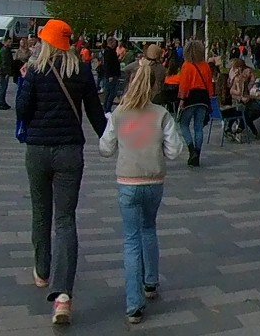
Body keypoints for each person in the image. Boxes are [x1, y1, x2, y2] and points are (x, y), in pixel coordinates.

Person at [17, 19, 107, 326]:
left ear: (46, 41)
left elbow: (22, 111)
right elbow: (95, 114)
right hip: (70, 151)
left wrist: (25, 83)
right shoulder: (81, 71)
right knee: (66, 220)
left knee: (40, 212)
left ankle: (42, 270)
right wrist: (111, 142)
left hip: (38, 150)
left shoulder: (35, 70)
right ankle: (63, 296)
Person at [98, 60, 186, 324]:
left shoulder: (119, 114)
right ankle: (151, 281)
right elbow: (175, 150)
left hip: (128, 181)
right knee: (149, 228)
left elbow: (105, 148)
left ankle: (134, 304)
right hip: (154, 180)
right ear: (154, 86)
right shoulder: (161, 114)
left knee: (131, 239)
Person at [176, 40, 213, 166]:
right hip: (203, 98)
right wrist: (210, 98)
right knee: (198, 127)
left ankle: (191, 150)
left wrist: (182, 99)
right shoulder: (206, 66)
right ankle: (197, 152)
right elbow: (209, 83)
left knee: (183, 124)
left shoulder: (187, 66)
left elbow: (184, 84)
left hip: (190, 97)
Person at [0, 32, 20, 110]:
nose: (10, 43)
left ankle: (3, 102)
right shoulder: (5, 50)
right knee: (3, 87)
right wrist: (6, 73)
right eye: (9, 42)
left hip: (4, 71)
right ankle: (0, 103)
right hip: (4, 72)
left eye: (11, 42)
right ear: (5, 42)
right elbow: (5, 63)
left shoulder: (6, 50)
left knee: (4, 87)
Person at [100, 37, 123, 113]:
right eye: (114, 42)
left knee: (110, 92)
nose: (116, 44)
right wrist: (110, 75)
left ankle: (106, 107)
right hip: (112, 75)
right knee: (112, 92)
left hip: (113, 74)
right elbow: (108, 64)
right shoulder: (109, 52)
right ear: (111, 43)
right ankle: (107, 108)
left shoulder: (110, 51)